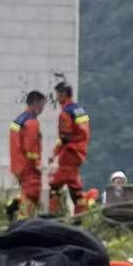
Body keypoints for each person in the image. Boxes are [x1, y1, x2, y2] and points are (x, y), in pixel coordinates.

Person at [49, 82, 91, 213]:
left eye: (58, 95)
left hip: (70, 153)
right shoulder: (80, 110)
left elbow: (64, 137)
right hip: (79, 152)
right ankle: (81, 214)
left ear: (63, 94)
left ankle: (53, 214)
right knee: (74, 186)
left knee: (56, 184)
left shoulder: (66, 113)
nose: (56, 98)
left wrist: (54, 154)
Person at [9, 90, 48, 219]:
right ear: (35, 104)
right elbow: (30, 148)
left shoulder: (19, 120)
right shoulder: (31, 122)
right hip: (29, 167)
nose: (42, 109)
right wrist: (37, 164)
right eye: (42, 105)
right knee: (31, 195)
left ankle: (21, 216)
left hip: (19, 166)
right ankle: (24, 223)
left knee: (25, 194)